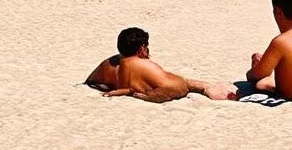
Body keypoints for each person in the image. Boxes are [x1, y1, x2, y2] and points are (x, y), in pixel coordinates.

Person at [88, 27, 235, 102]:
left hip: (105, 83)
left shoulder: (109, 63)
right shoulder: (142, 65)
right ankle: (206, 87)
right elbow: (175, 87)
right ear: (141, 49)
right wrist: (148, 97)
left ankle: (206, 86)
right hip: (168, 87)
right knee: (178, 81)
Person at [245, 0, 292, 100]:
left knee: (260, 84)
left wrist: (257, 66)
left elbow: (254, 76)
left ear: (279, 12)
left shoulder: (281, 42)